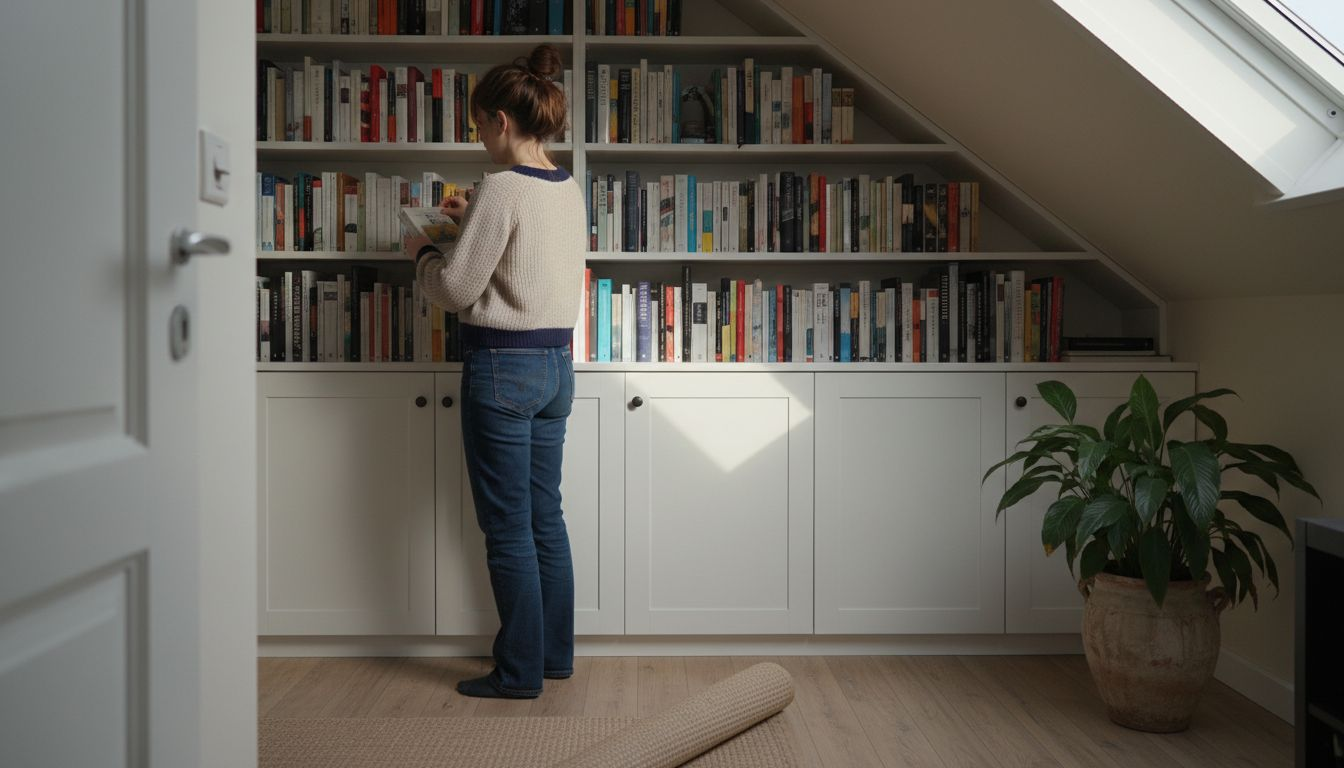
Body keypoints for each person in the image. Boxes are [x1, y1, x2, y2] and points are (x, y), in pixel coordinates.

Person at [404, 43, 585, 700]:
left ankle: (517, 673)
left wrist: (422, 252)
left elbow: (456, 289)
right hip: (557, 367)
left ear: (501, 121)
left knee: (507, 528)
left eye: (479, 125)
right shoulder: (567, 187)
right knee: (544, 519)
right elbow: (528, 257)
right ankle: (553, 657)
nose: (479, 137)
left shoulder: (501, 188)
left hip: (504, 369)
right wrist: (469, 219)